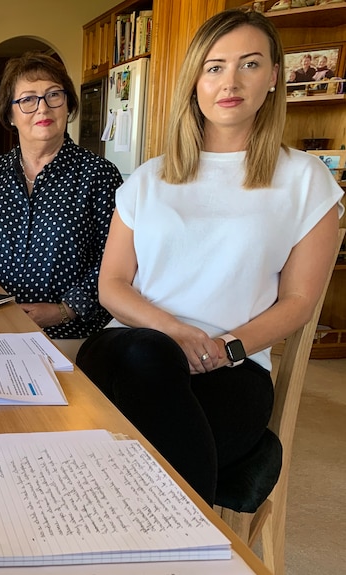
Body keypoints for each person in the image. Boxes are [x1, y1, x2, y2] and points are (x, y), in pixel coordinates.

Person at [75, 8, 344, 506]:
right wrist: (175, 332)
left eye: (250, 63)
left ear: (274, 77)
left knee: (116, 453)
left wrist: (226, 349)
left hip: (233, 367)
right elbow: (112, 285)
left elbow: (299, 300)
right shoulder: (147, 180)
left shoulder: (306, 180)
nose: (231, 81)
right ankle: (205, 521)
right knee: (148, 355)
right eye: (214, 66)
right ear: (195, 80)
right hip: (128, 350)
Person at [0, 52, 122, 361]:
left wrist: (65, 310)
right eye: (28, 99)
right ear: (10, 114)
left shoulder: (98, 175)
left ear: (68, 104)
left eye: (54, 95)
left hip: (71, 339)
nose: (42, 107)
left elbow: (116, 263)